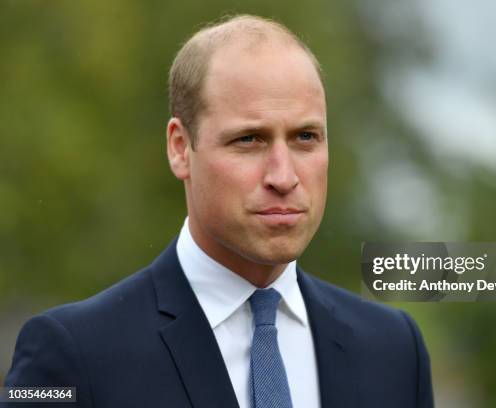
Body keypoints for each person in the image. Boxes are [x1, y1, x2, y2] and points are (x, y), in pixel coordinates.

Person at [3, 15, 433, 408]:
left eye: (305, 137)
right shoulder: (72, 353)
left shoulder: (395, 350)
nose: (283, 176)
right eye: (249, 140)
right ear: (179, 148)